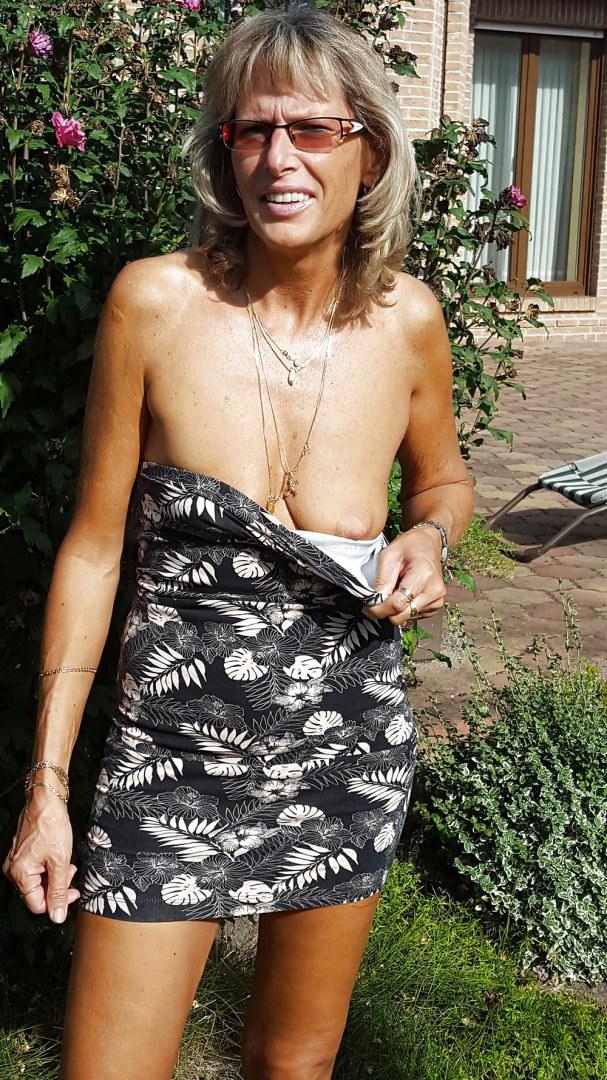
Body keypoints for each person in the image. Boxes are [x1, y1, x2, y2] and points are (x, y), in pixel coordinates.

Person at [3, 7, 475, 1078]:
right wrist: (47, 787)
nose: (277, 158)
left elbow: (444, 479)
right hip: (169, 756)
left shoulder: (408, 322)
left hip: (346, 749)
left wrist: (429, 533)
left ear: (368, 149)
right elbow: (93, 551)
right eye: (251, 131)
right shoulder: (154, 304)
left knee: (292, 1067)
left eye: (310, 130)